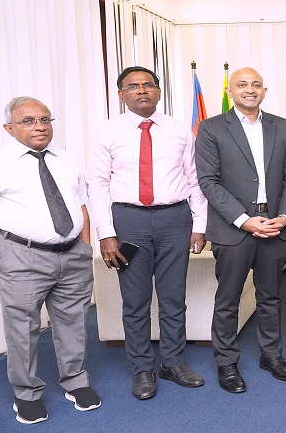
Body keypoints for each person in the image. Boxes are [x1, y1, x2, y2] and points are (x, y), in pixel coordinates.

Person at [0, 97, 100, 424]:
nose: (39, 126)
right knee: (23, 328)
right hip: (22, 258)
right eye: (28, 121)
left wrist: (84, 246)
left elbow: (81, 206)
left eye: (45, 119)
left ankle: (75, 381)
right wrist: (13, 246)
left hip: (73, 255)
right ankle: (26, 394)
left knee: (73, 322)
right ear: (9, 128)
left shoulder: (66, 159)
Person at [87, 66, 208, 400]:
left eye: (148, 84)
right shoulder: (107, 132)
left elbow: (195, 180)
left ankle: (172, 363)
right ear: (121, 94)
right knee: (135, 300)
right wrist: (105, 233)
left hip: (175, 220)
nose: (141, 90)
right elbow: (97, 185)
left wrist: (199, 225)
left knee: (173, 297)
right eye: (133, 86)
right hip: (128, 221)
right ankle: (142, 368)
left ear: (158, 90)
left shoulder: (180, 129)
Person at [195, 67, 286, 393]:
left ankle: (271, 356)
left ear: (264, 91)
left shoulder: (283, 127)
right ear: (230, 90)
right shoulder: (211, 127)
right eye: (242, 84)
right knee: (228, 299)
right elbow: (208, 181)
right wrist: (243, 219)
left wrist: (285, 216)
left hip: (274, 226)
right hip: (234, 229)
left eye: (256, 84)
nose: (250, 89)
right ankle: (227, 363)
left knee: (271, 297)